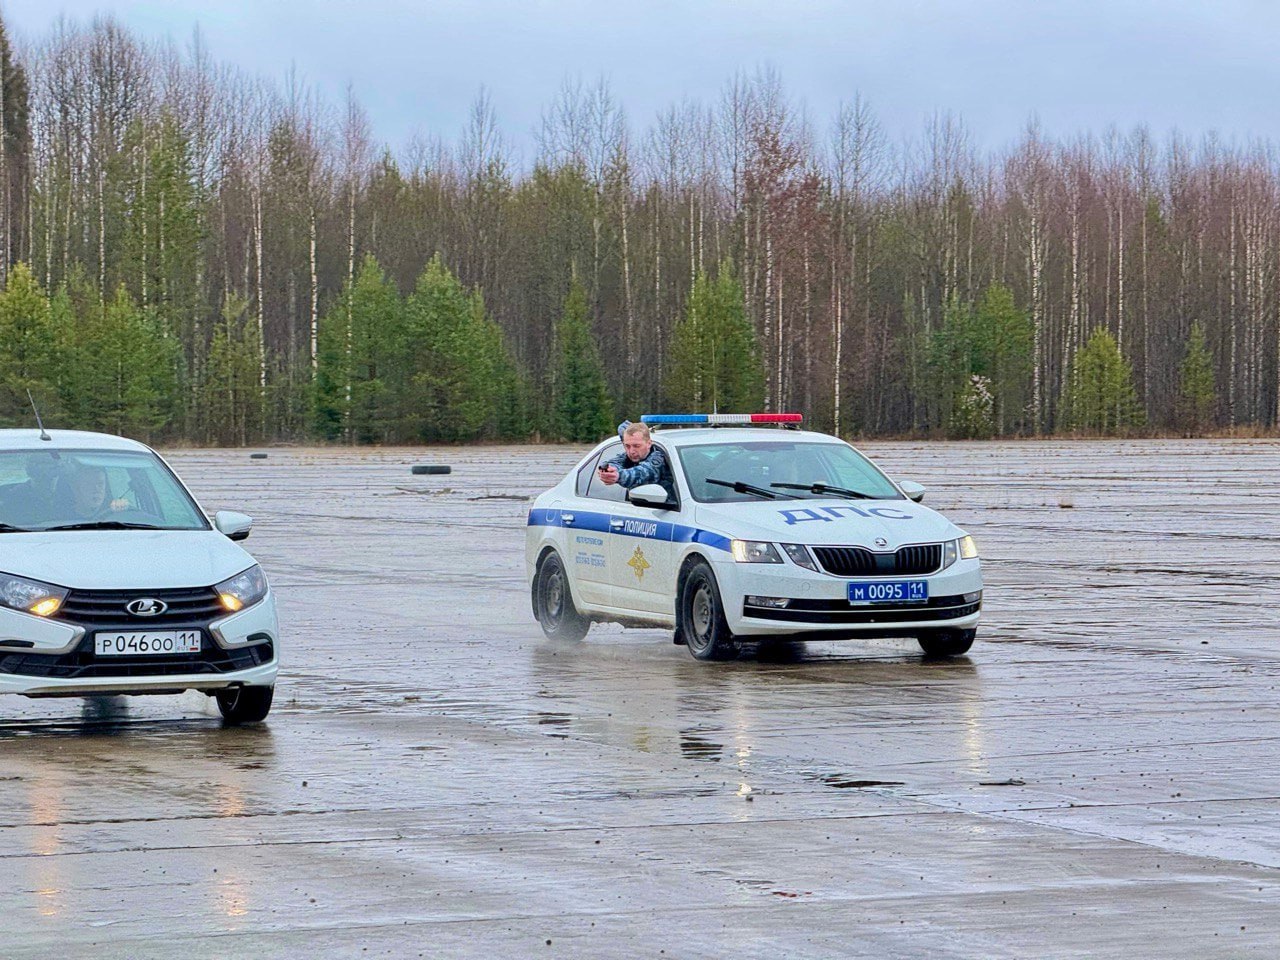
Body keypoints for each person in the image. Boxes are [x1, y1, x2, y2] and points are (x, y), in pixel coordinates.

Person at [599, 421, 672, 494]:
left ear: (649, 444)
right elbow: (614, 463)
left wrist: (619, 475)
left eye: (636, 446)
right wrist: (609, 471)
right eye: (627, 446)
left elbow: (643, 473)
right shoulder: (629, 456)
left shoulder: (659, 458)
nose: (631, 451)